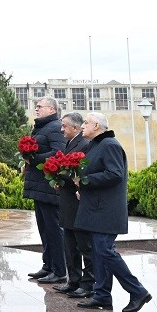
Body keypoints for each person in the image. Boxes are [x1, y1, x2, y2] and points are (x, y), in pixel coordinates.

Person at [74, 112, 154, 312]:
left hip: (106, 210)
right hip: (97, 208)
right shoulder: (95, 145)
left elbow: (115, 174)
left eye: (86, 122)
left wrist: (86, 181)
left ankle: (138, 291)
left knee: (105, 251)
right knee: (99, 251)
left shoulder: (110, 145)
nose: (82, 126)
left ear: (98, 126)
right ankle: (102, 295)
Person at [24, 96, 67, 284]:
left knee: (53, 229)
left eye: (40, 106)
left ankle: (59, 270)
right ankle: (48, 265)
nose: (36, 109)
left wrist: (33, 159)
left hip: (49, 186)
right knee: (43, 228)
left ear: (51, 109)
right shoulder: (40, 127)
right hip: (38, 184)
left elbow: (59, 153)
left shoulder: (56, 127)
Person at [53, 111, 94, 298]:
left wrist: (63, 178)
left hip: (77, 203)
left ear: (75, 128)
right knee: (69, 244)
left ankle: (87, 284)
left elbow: (82, 173)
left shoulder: (83, 145)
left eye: (64, 126)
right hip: (67, 201)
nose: (61, 130)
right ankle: (73, 280)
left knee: (82, 245)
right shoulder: (70, 143)